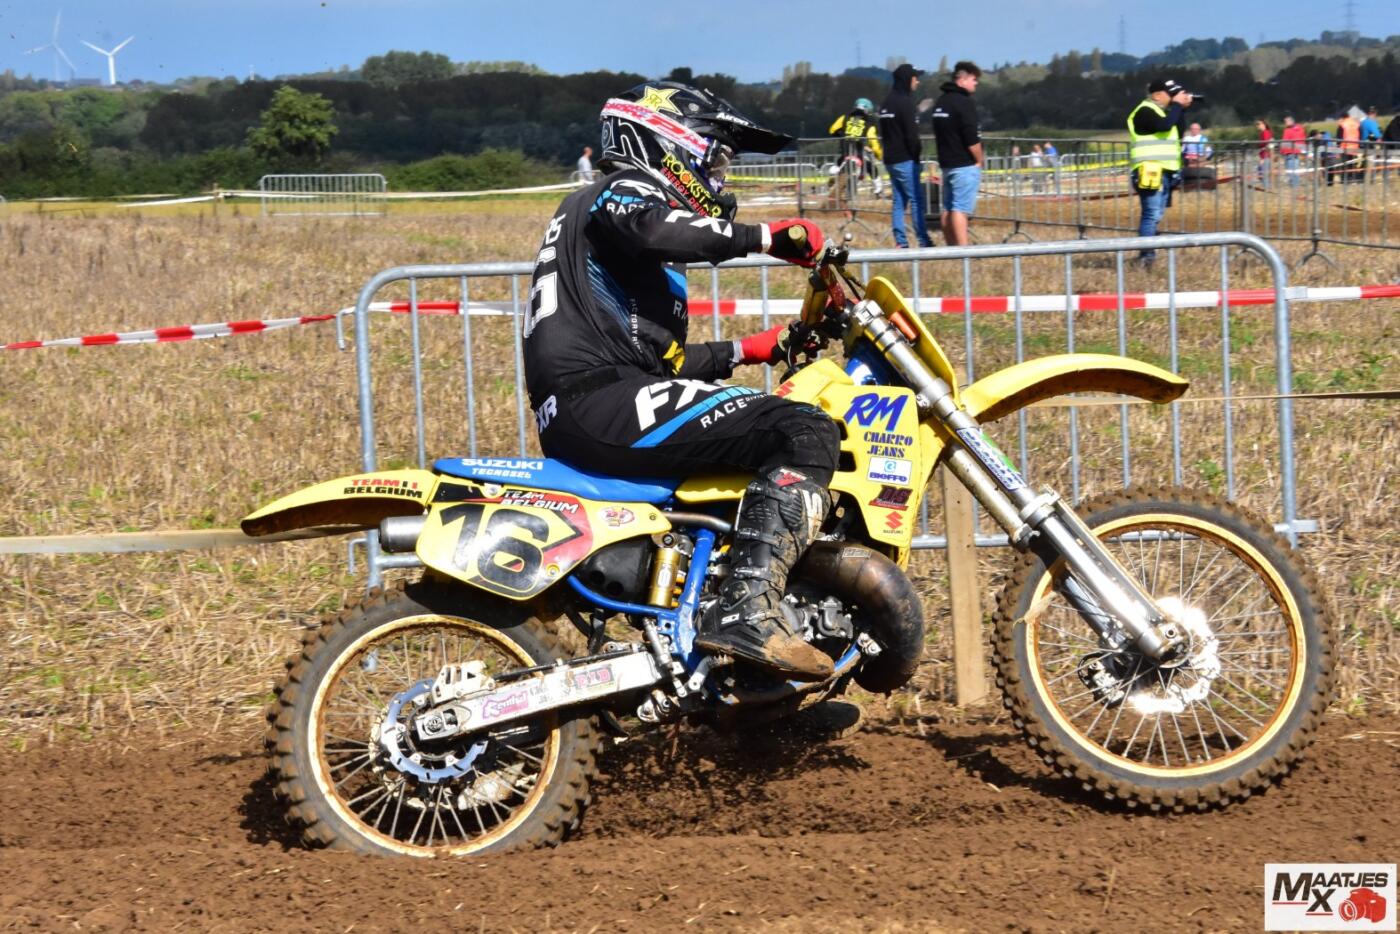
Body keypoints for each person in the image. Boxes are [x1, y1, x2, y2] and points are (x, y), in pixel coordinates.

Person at [524, 81, 837, 680]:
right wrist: (767, 238)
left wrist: (750, 349)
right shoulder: (622, 189)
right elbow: (650, 226)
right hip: (599, 402)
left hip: (601, 400)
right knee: (803, 429)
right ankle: (747, 612)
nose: (719, 177)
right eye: (715, 161)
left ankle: (731, 660)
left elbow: (658, 366)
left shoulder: (617, 234)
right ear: (668, 145)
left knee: (749, 442)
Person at [1127, 77, 1192, 267]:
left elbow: (1178, 131)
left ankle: (1147, 254)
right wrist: (1177, 106)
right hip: (1150, 170)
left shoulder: (1162, 113)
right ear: (1157, 95)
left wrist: (1181, 110)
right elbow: (1163, 126)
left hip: (1165, 171)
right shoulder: (1144, 111)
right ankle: (1146, 257)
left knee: (1156, 215)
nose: (1172, 98)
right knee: (1151, 214)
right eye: (1169, 94)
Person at [878, 63, 934, 248]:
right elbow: (911, 135)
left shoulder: (886, 103)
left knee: (899, 201)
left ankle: (900, 242)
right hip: (905, 158)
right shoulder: (906, 103)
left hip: (890, 159)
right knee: (916, 199)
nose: (918, 81)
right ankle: (923, 240)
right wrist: (916, 156)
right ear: (907, 79)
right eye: (915, 78)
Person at [930, 60, 983, 246]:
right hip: (964, 164)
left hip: (947, 163)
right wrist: (979, 159)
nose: (976, 83)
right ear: (963, 80)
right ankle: (963, 250)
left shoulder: (941, 102)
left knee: (948, 209)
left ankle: (951, 247)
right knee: (960, 209)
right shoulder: (964, 102)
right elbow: (971, 136)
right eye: (974, 79)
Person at [828, 97, 884, 196]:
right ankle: (878, 190)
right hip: (858, 155)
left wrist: (842, 135)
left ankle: (833, 177)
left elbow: (832, 130)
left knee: (839, 165)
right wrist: (879, 155)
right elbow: (873, 141)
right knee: (871, 168)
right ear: (867, 110)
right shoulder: (869, 123)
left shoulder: (844, 117)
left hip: (845, 153)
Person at [1279, 115, 1305, 189]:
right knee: (1292, 170)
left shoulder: (1289, 130)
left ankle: (1294, 186)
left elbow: (1285, 141)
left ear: (1291, 121)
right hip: (1292, 152)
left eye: (1286, 121)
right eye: (1285, 122)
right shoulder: (1299, 128)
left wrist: (1282, 150)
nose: (1285, 123)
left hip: (1291, 152)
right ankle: (1294, 186)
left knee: (1291, 170)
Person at [1338, 109, 1361, 184]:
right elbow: (1360, 134)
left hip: (1345, 147)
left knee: (1345, 165)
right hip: (1355, 147)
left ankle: (1345, 180)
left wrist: (1338, 146)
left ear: (1342, 117)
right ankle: (1353, 179)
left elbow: (1339, 137)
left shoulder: (1342, 124)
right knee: (1353, 164)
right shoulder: (1356, 123)